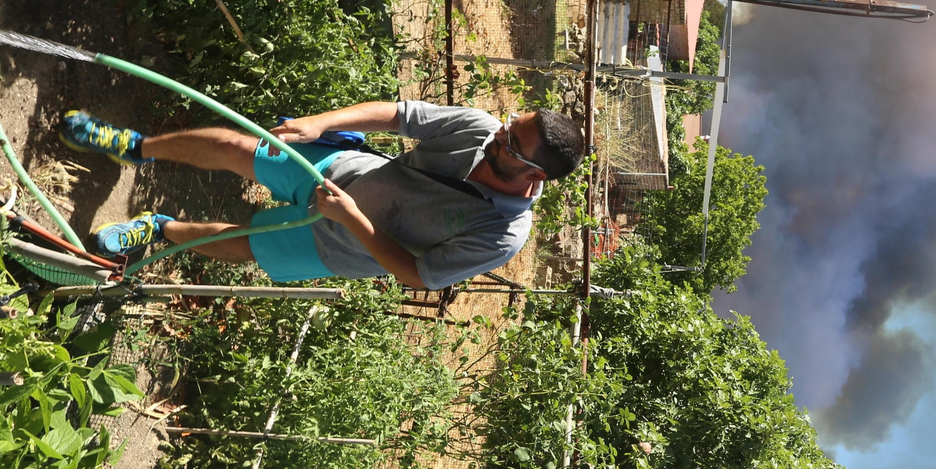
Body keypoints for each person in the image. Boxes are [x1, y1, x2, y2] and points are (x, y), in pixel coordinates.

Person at [59, 100, 584, 290]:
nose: (499, 132)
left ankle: (157, 230)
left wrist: (352, 220)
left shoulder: (502, 234)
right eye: (513, 121)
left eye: (513, 141)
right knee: (241, 147)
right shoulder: (478, 128)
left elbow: (416, 274)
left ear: (532, 176)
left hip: (338, 246)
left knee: (246, 243)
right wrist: (320, 124)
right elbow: (400, 115)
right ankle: (135, 147)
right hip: (338, 169)